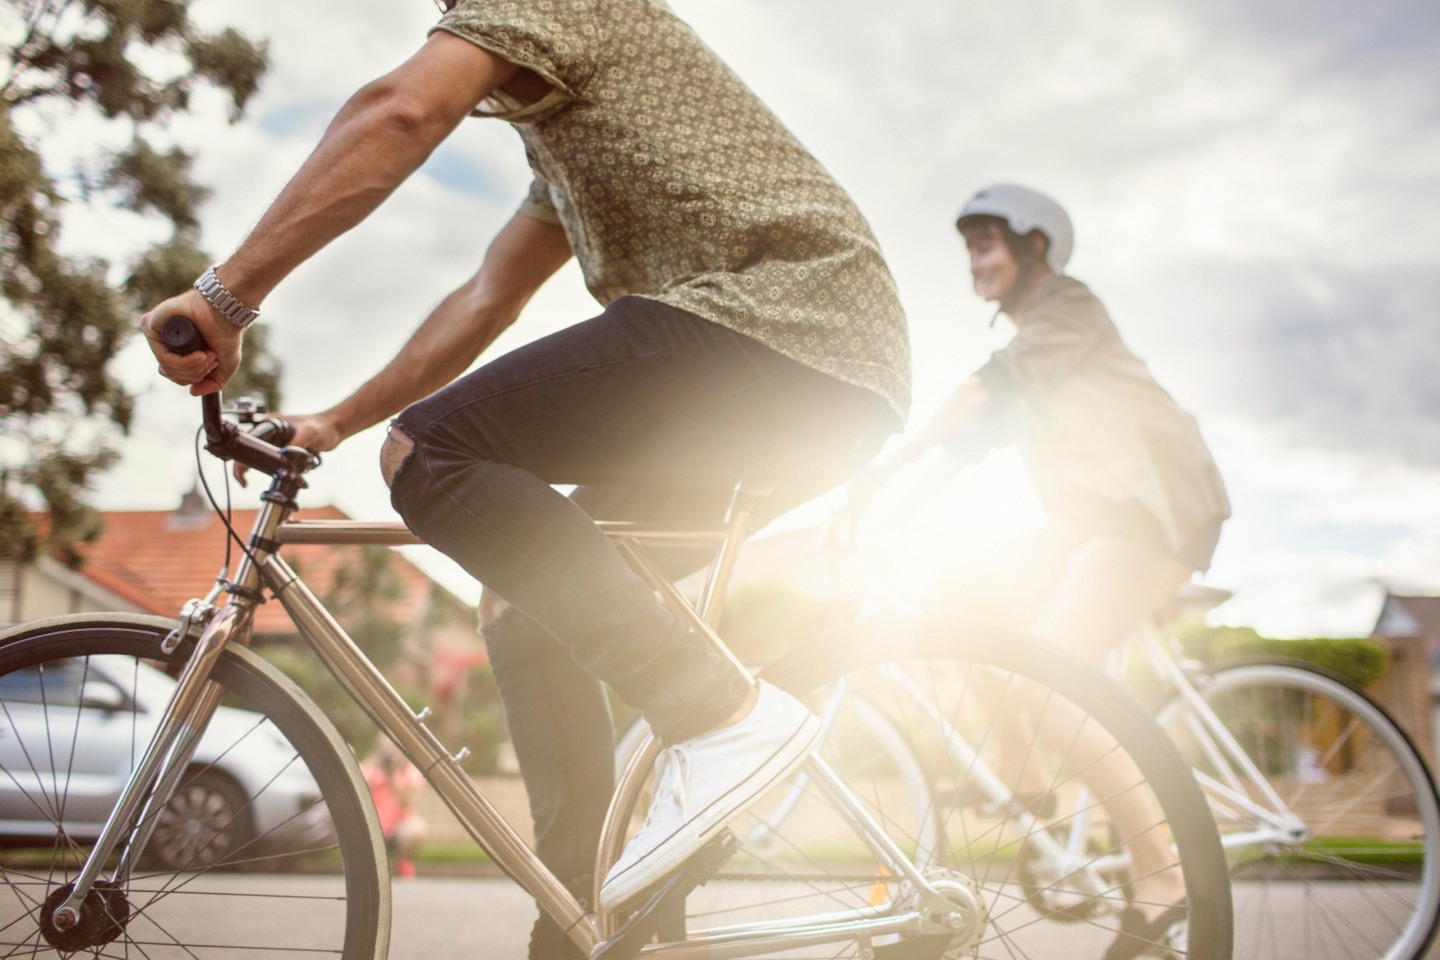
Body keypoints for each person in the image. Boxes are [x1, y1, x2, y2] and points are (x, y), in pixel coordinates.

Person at [140, 2, 910, 957]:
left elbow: (398, 115)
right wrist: (337, 421)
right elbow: (485, 298)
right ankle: (592, 914)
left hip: (783, 330)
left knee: (429, 455)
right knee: (517, 593)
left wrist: (224, 297)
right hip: (807, 373)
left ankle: (722, 715)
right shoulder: (564, 143)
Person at [862, 183, 1229, 960]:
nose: (976, 260)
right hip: (1094, 521)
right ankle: (1026, 780)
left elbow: (994, 382)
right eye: (969, 248)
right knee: (963, 602)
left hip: (1155, 508)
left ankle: (1163, 879)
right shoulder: (1036, 339)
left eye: (989, 243)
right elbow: (970, 445)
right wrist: (878, 512)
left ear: (1035, 248)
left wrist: (902, 450)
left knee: (1046, 674)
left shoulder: (1068, 308)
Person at [360, 740, 428, 879]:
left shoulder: (408, 770)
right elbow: (359, 793)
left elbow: (407, 801)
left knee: (417, 829)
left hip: (398, 827)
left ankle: (403, 861)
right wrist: (375, 768)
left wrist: (393, 776)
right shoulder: (371, 766)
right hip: (372, 825)